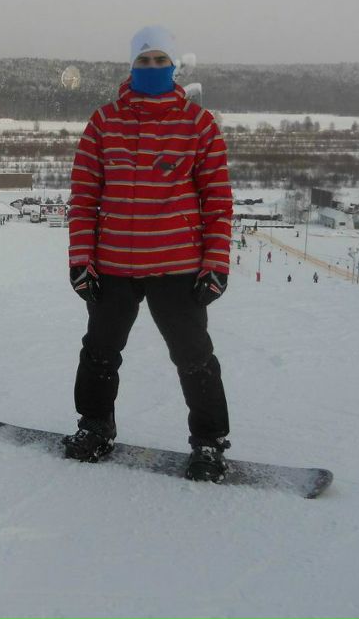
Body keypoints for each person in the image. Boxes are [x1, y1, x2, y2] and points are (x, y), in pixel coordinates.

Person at [64, 25, 234, 483]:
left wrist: (215, 263)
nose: (153, 67)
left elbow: (217, 201)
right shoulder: (104, 122)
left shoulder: (198, 124)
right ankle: (95, 427)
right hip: (113, 265)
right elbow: (84, 198)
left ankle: (209, 442)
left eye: (161, 60)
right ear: (131, 66)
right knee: (99, 352)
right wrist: (81, 259)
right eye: (144, 60)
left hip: (177, 265)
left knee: (194, 357)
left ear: (174, 66)